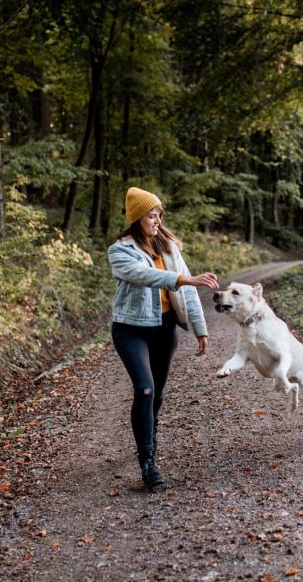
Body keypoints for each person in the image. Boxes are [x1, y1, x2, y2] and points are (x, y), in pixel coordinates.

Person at [108, 187, 220, 488]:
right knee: (144, 389)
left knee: (156, 395)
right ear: (137, 219)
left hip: (164, 329)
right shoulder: (120, 251)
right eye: (151, 215)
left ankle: (149, 436)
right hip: (130, 329)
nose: (157, 220)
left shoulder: (169, 247)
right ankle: (147, 461)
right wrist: (183, 278)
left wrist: (200, 329)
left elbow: (189, 293)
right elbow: (144, 276)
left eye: (159, 215)